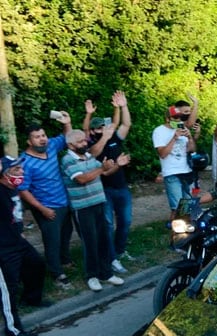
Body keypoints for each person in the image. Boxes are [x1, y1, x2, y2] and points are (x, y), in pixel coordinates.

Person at [61, 130, 126, 291]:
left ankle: (106, 274)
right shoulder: (67, 160)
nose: (85, 143)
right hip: (82, 207)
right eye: (80, 142)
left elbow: (104, 171)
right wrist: (101, 168)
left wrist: (117, 164)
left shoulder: (89, 156)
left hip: (99, 202)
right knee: (90, 242)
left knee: (104, 239)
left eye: (84, 140)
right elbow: (82, 179)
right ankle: (92, 276)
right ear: (70, 145)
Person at [18, 117, 74, 290]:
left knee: (66, 233)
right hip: (47, 207)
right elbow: (23, 189)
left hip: (64, 201)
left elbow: (68, 137)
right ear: (29, 141)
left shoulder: (50, 146)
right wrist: (42, 209)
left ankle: (65, 260)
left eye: (43, 135)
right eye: (37, 136)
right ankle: (57, 274)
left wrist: (67, 123)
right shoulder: (24, 162)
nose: (42, 138)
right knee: (52, 241)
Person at [84, 91, 133, 274]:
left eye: (105, 127)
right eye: (99, 129)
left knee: (125, 222)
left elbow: (126, 124)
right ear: (93, 131)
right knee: (107, 225)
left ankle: (120, 251)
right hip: (104, 191)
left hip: (121, 187)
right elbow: (96, 155)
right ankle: (111, 258)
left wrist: (122, 106)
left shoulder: (114, 139)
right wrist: (104, 136)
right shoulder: (90, 144)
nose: (104, 130)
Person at [0, 157, 46, 336]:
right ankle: (13, 330)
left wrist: (19, 232)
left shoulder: (14, 189)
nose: (21, 172)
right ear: (4, 174)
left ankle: (31, 298)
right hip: (3, 249)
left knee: (36, 264)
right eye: (16, 169)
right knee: (7, 289)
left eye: (21, 169)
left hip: (17, 241)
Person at [152, 99, 198, 220]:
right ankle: (175, 234)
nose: (178, 120)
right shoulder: (159, 131)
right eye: (175, 118)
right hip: (172, 172)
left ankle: (186, 231)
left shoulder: (183, 127)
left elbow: (192, 150)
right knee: (177, 208)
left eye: (179, 117)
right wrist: (174, 138)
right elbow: (162, 154)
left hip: (186, 171)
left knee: (187, 206)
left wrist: (190, 138)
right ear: (168, 119)